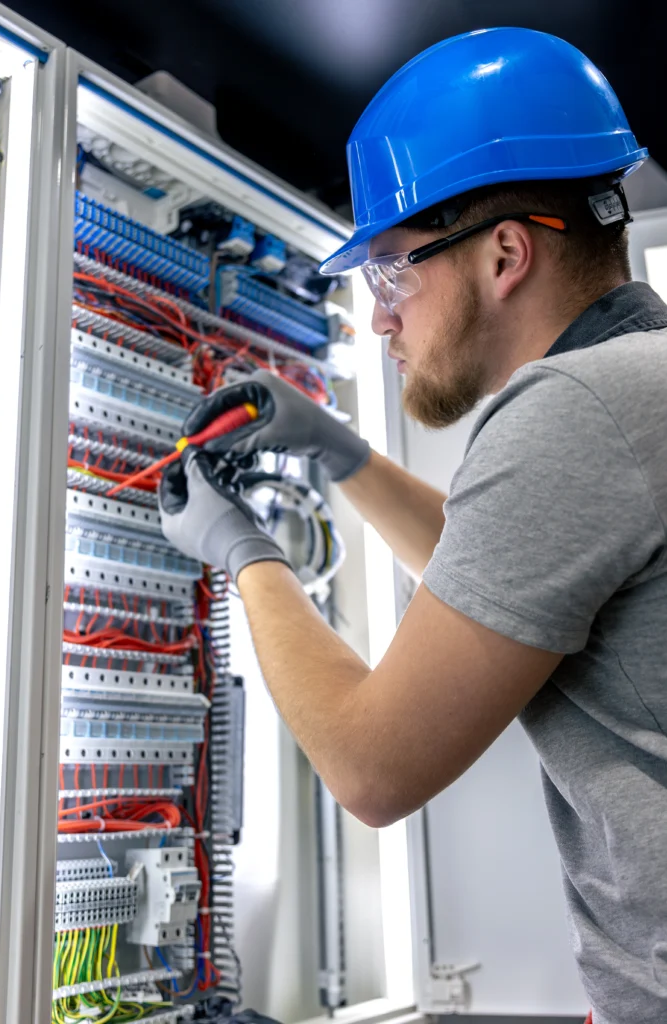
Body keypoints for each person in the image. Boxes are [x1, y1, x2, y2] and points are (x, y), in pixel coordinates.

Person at [159, 27, 667, 1024]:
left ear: (505, 253)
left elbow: (371, 766)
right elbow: (505, 583)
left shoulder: (575, 410)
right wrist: (339, 452)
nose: (380, 319)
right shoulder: (635, 388)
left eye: (391, 272)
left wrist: (242, 551)